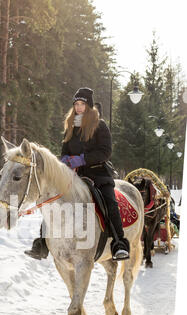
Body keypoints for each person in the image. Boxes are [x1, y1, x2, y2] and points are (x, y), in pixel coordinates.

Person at [25, 87, 129, 261]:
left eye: (82, 104)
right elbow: (64, 151)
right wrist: (65, 160)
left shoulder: (100, 125)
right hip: (74, 176)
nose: (79, 107)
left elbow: (105, 152)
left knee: (110, 202)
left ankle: (119, 243)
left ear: (88, 105)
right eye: (76, 104)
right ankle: (42, 243)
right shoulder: (71, 127)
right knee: (52, 201)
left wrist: (83, 159)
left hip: (98, 175)